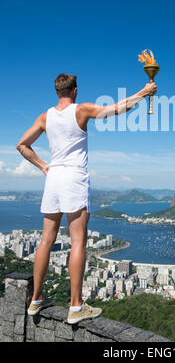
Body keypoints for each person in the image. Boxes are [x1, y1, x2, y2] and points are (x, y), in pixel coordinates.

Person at [16, 73, 157, 324]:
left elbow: (22, 145)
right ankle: (76, 306)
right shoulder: (80, 110)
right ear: (75, 90)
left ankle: (36, 300)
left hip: (53, 178)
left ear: (56, 91)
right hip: (74, 178)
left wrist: (44, 167)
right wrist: (143, 93)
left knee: (45, 240)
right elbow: (115, 109)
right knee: (78, 241)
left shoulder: (45, 117)